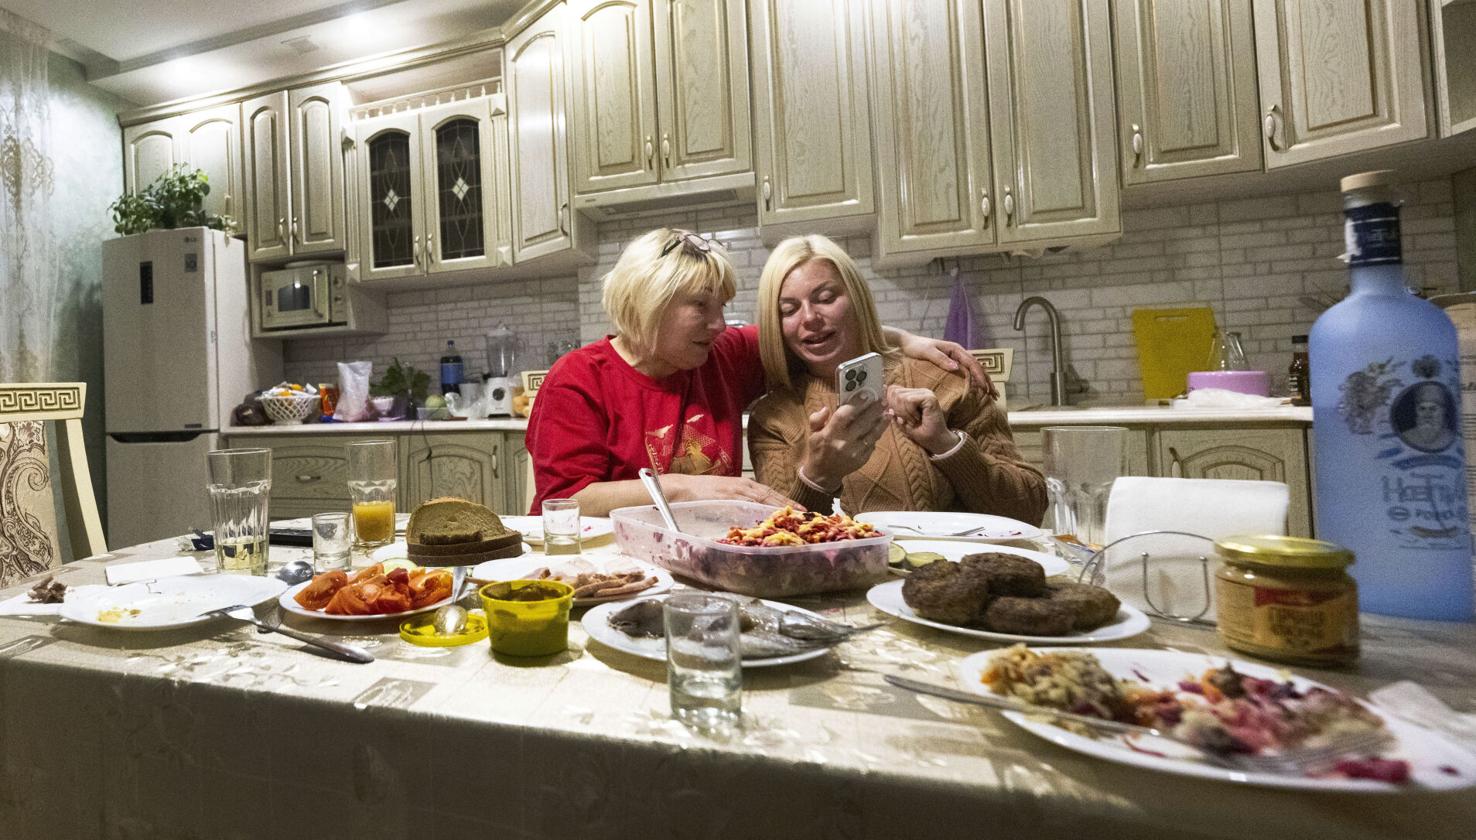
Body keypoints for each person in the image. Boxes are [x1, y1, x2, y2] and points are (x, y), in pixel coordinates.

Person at [526, 228, 991, 516]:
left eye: (722, 307)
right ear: (649, 305)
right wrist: (686, 488)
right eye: (701, 307)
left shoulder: (720, 354)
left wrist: (905, 340)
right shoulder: (578, 379)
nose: (719, 324)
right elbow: (565, 503)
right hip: (604, 565)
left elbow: (809, 331)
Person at [747, 234, 1046, 523]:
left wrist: (946, 444)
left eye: (826, 298)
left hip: (954, 572)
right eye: (789, 310)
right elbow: (773, 549)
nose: (809, 317)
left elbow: (1030, 509)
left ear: (857, 299)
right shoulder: (775, 417)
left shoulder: (944, 379)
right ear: (777, 324)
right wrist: (817, 476)